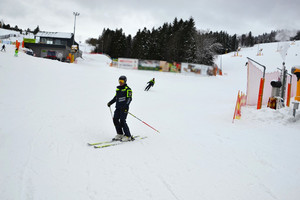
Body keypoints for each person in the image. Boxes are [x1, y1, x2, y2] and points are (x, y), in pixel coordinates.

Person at [107, 75, 134, 142]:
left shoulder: (128, 89)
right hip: (118, 108)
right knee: (115, 119)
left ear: (125, 81)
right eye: (119, 81)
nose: (120, 82)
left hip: (124, 108)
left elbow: (129, 99)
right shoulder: (118, 89)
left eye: (122, 81)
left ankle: (128, 136)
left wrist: (125, 106)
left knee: (122, 121)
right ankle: (120, 134)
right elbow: (116, 98)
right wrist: (110, 102)